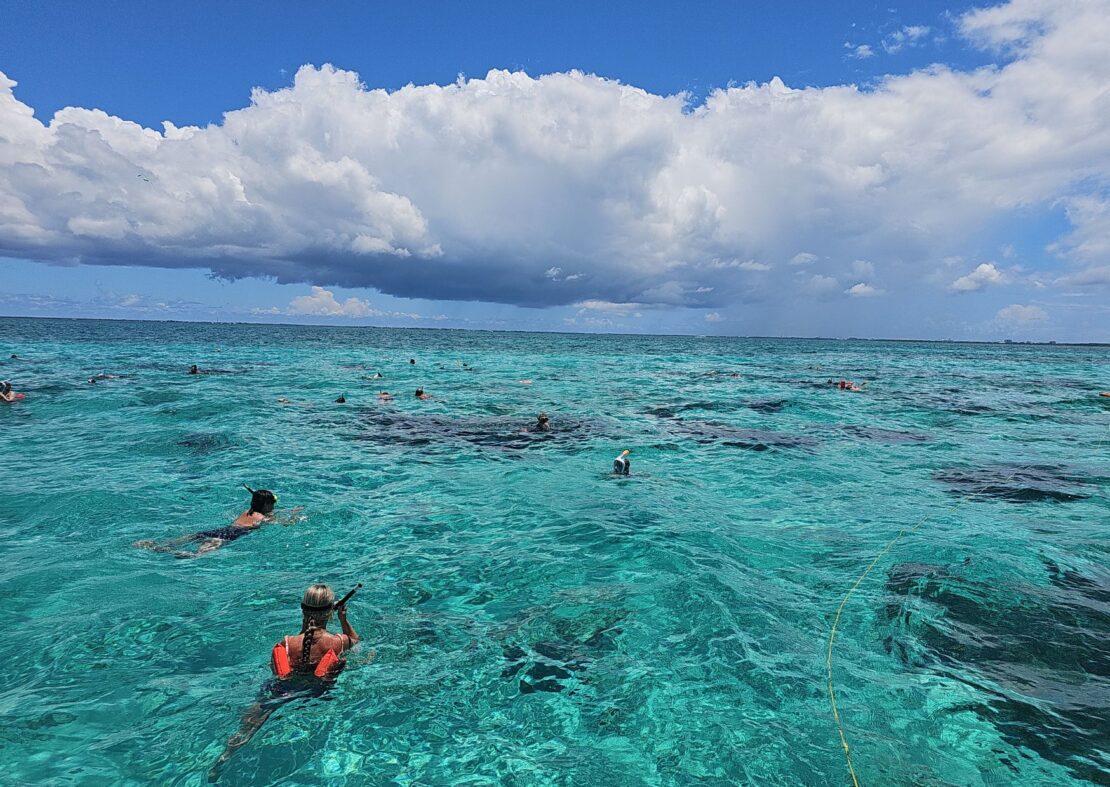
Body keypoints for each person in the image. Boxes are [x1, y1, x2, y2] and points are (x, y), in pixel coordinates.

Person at [209, 584, 362, 781]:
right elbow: (356, 641)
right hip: (316, 692)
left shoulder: (287, 643)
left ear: (302, 609)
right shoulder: (338, 642)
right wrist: (343, 619)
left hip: (281, 690)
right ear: (330, 611)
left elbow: (276, 669)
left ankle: (226, 756)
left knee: (251, 722)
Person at [134, 486, 288, 558]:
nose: (274, 506)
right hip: (229, 536)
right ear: (266, 505)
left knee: (193, 537)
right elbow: (281, 522)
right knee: (197, 555)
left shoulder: (246, 512)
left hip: (219, 530)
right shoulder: (262, 517)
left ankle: (157, 545)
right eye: (273, 502)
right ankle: (176, 553)